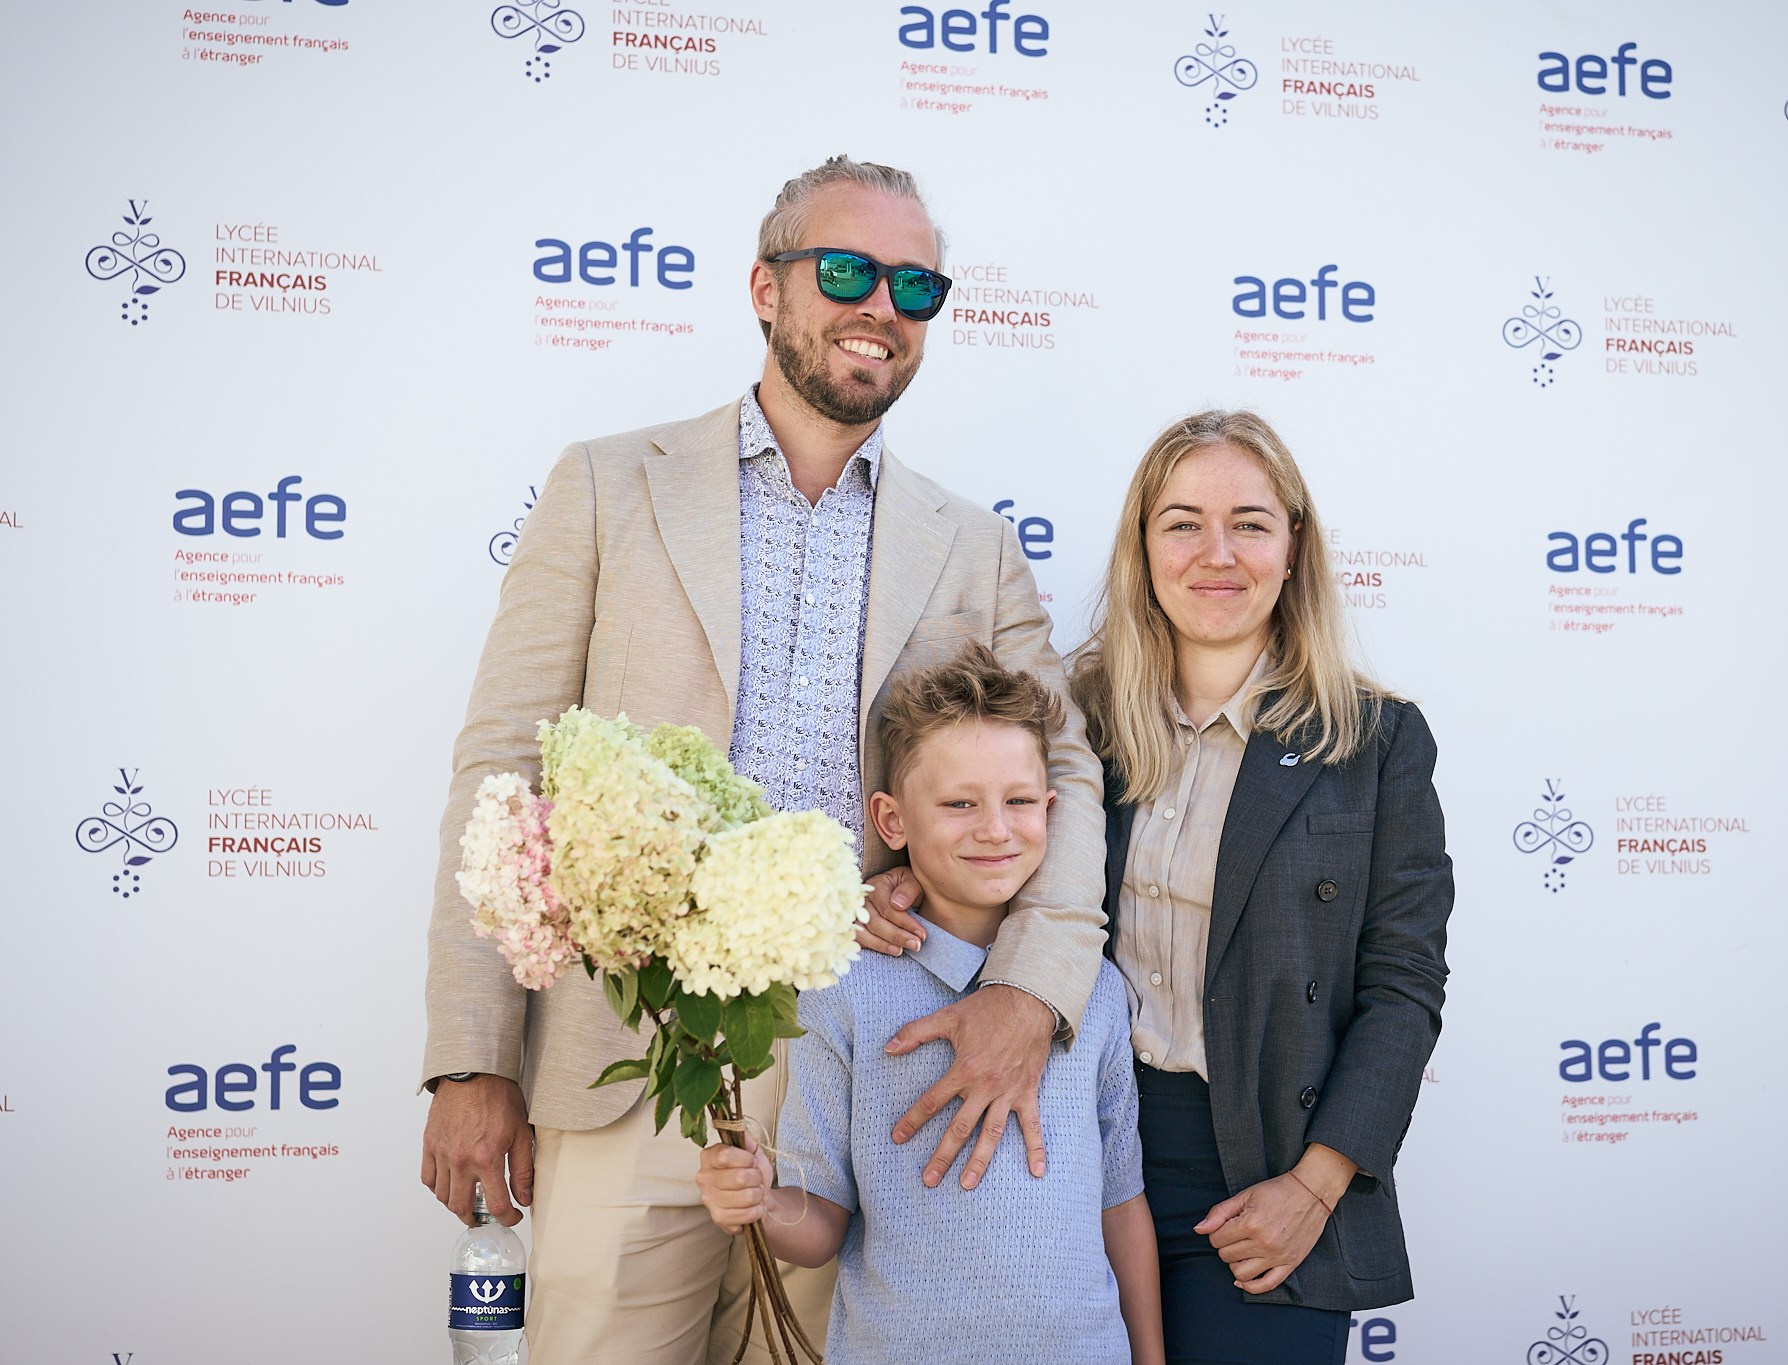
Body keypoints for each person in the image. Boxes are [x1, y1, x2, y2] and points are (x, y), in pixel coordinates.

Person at [418, 156, 1108, 1365]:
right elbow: (500, 777)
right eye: (844, 269)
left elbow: (1070, 777)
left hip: (872, 1074)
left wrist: (1031, 989)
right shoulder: (606, 485)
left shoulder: (973, 547)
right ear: (764, 288)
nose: (878, 305)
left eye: (913, 285)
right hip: (631, 1061)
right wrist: (471, 1060)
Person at [866, 409, 1453, 1362]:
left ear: (1294, 546)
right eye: (1182, 522)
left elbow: (1404, 987)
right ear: (1142, 547)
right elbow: (988, 848)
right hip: (1064, 1144)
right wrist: (898, 888)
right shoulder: (1074, 718)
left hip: (1267, 1167)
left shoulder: (1374, 742)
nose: (1215, 552)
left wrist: (1316, 1184)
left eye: (1250, 522)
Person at [698, 643, 1165, 1365]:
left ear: (1050, 809)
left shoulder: (1092, 988)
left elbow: (1121, 1200)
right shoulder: (841, 987)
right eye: (958, 803)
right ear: (891, 820)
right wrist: (759, 1200)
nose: (994, 829)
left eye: (1018, 801)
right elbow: (820, 1224)